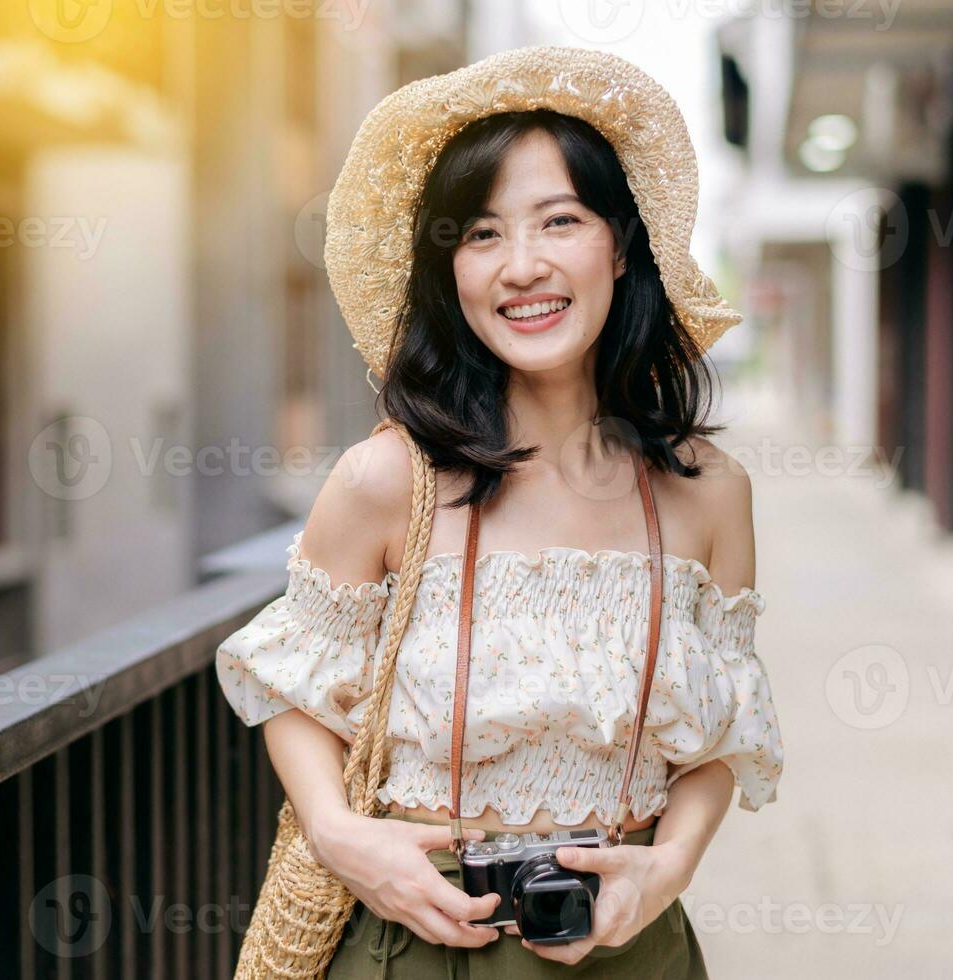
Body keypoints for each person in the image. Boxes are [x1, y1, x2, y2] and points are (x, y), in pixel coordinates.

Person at [216, 47, 783, 977]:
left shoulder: (708, 490)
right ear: (450, 272)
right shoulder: (383, 479)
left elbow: (724, 734)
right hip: (417, 935)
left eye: (558, 221)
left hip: (626, 946)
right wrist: (338, 834)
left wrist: (671, 866)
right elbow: (291, 686)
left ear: (621, 242)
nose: (522, 266)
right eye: (480, 234)